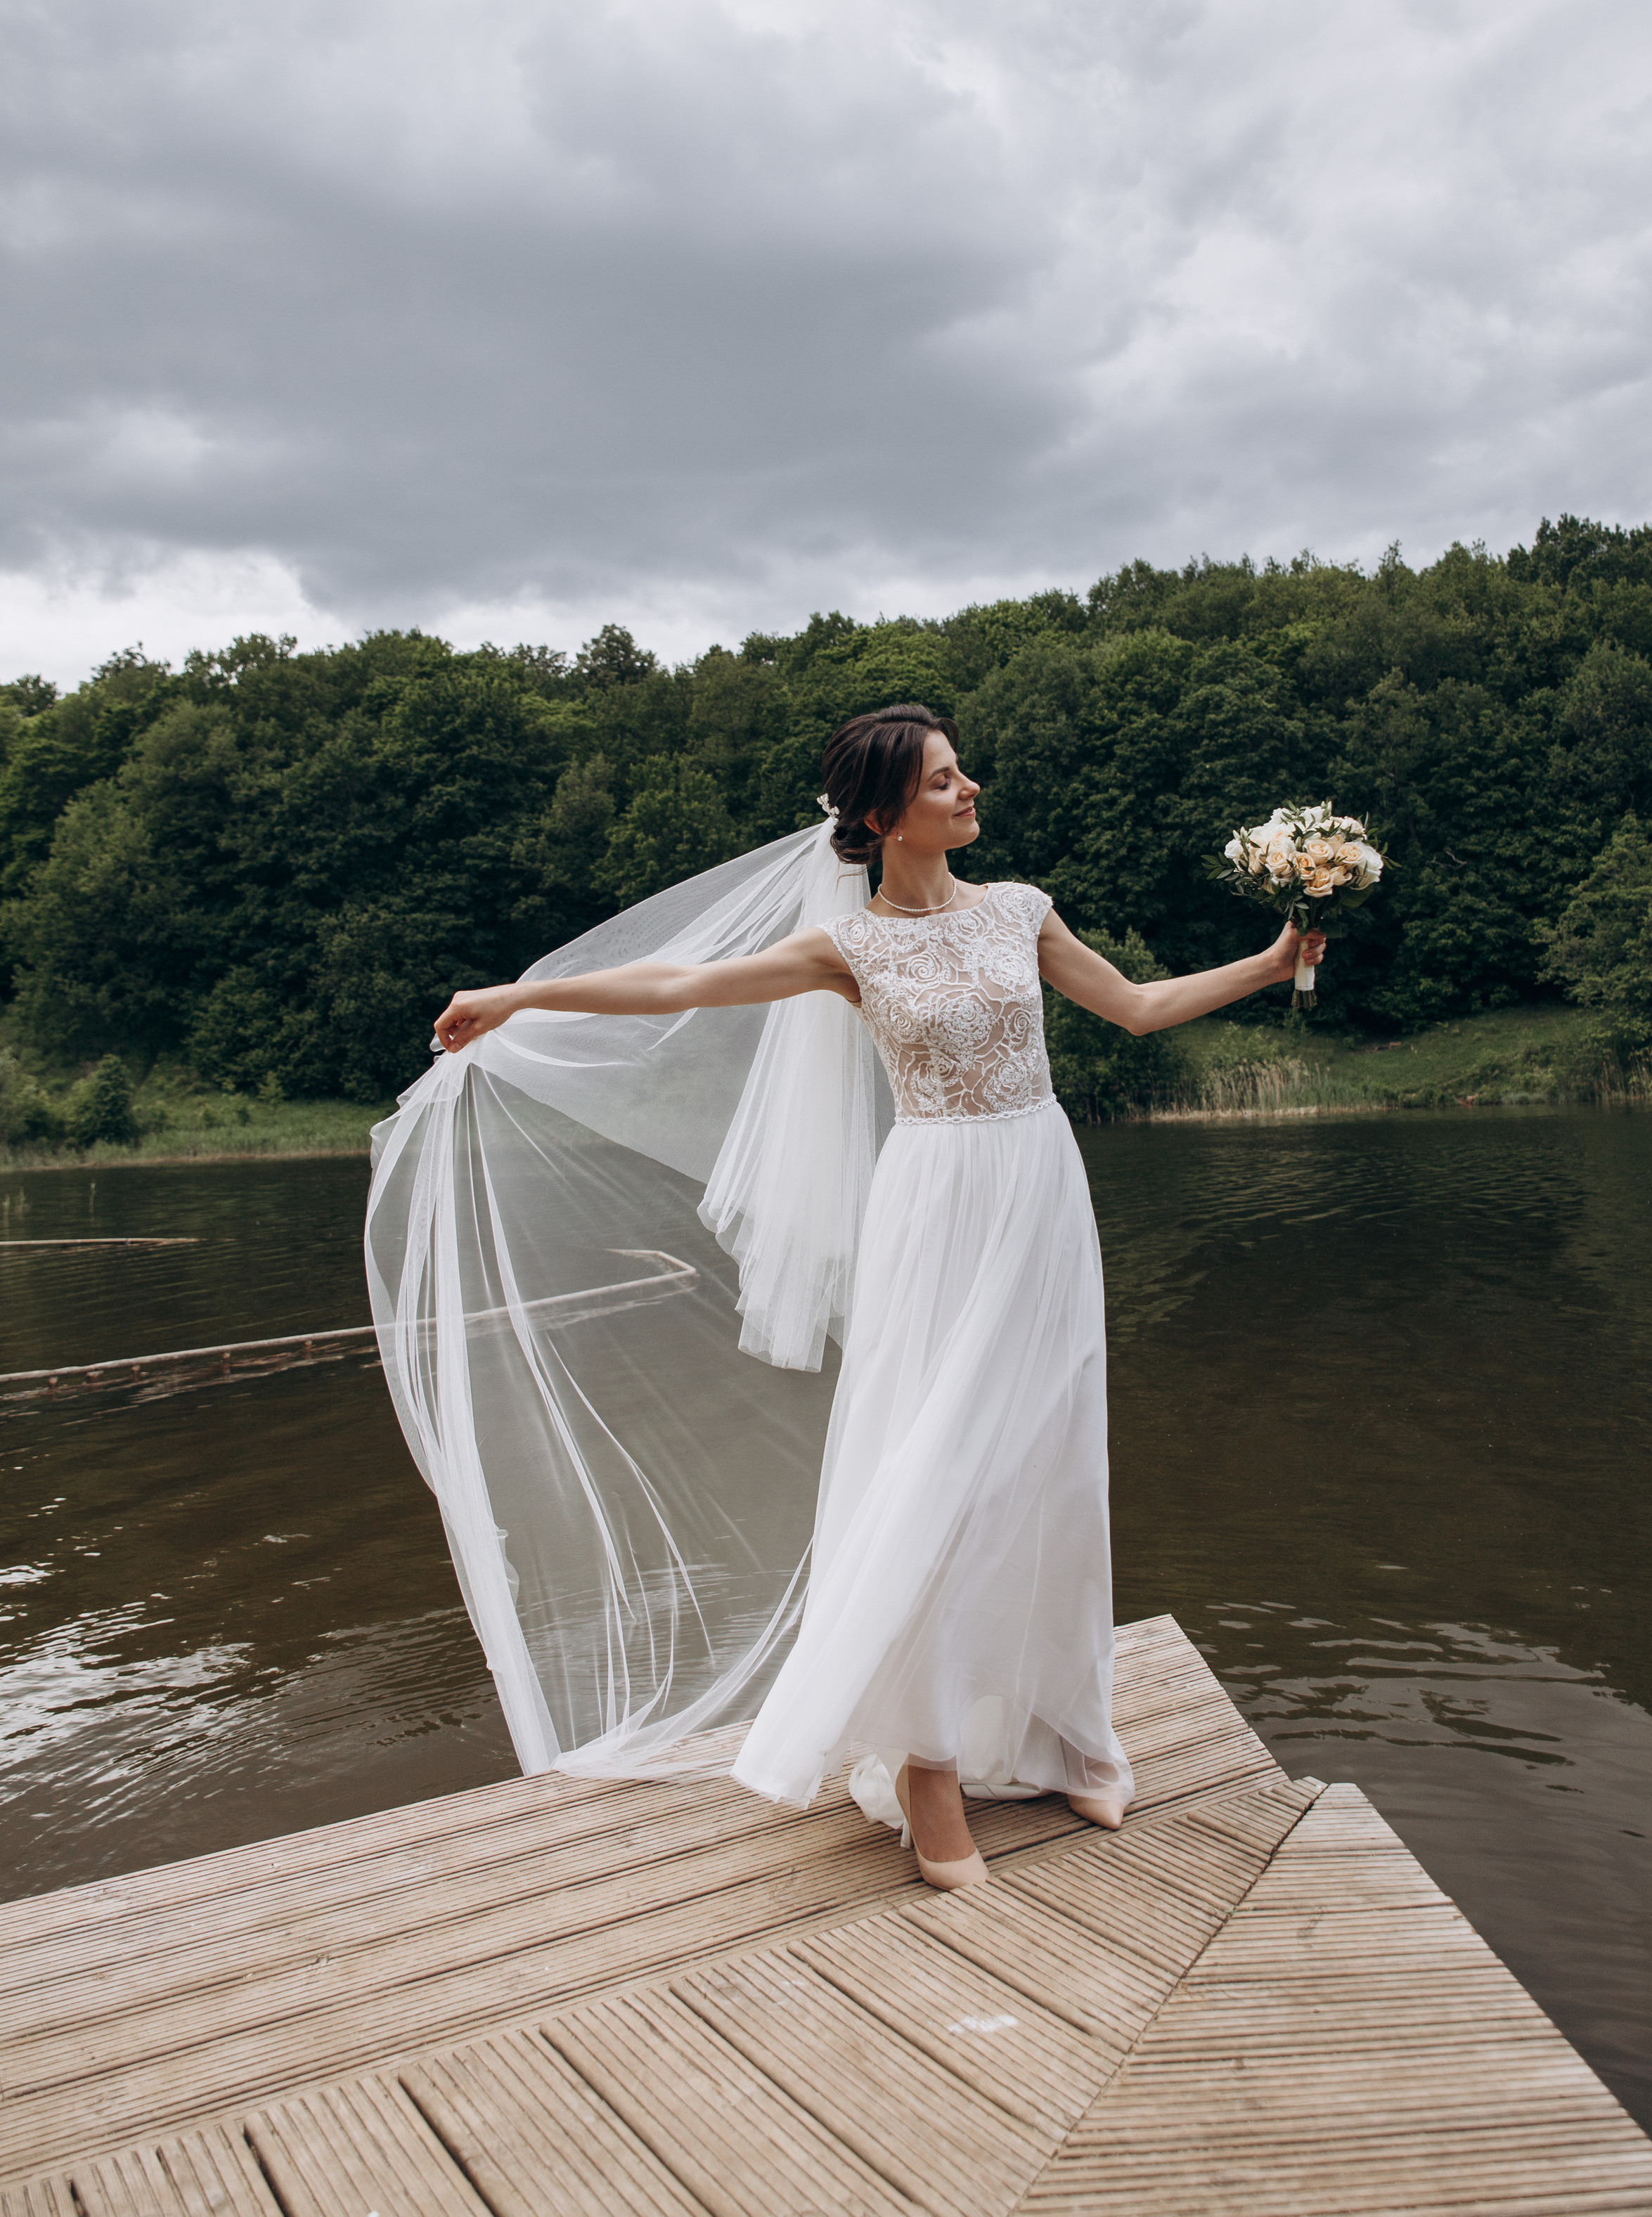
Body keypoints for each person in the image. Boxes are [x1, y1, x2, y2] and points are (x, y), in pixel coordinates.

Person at [430, 703, 1324, 1892]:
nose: (970, 793)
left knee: (1049, 1458)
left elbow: (1141, 1006)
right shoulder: (850, 949)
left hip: (1040, 1192)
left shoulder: (1020, 909)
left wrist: (1271, 964)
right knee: (932, 1467)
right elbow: (677, 984)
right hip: (934, 1203)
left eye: (964, 775)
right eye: (945, 782)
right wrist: (518, 996)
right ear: (878, 816)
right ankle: (927, 1765)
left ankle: (1068, 1729)